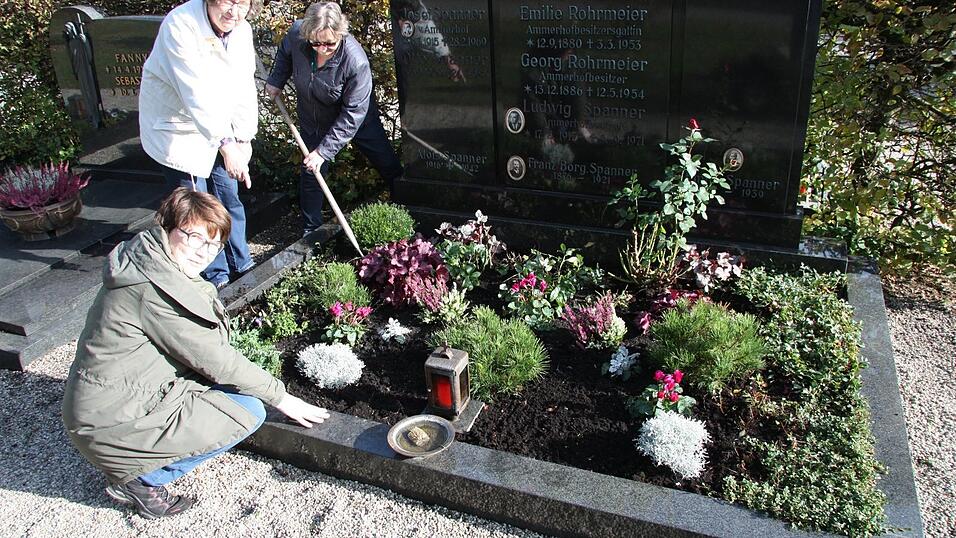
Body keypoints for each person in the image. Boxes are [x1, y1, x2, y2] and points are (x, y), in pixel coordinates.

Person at [62, 188, 330, 519]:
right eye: (193, 238)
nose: (204, 253)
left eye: (213, 244)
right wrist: (282, 398)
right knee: (248, 410)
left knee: (226, 393)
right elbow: (218, 362)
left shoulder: (150, 262)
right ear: (168, 227)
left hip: (109, 401)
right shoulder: (152, 289)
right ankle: (141, 479)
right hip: (109, 420)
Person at [139, 0, 259, 289]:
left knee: (229, 196)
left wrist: (243, 138)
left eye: (243, 3)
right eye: (227, 1)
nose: (234, 11)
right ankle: (213, 277)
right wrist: (227, 144)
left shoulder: (241, 30)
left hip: (221, 126)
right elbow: (196, 93)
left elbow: (244, 84)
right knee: (196, 211)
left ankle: (241, 262)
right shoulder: (180, 25)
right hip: (179, 129)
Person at [265, 2, 403, 235]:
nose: (322, 49)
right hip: (314, 118)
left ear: (341, 34)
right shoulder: (297, 35)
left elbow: (353, 114)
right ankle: (311, 229)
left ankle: (406, 203)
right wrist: (276, 80)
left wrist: (324, 152)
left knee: (385, 161)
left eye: (330, 43)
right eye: (316, 43)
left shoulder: (355, 61)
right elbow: (285, 51)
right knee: (311, 171)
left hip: (357, 120)